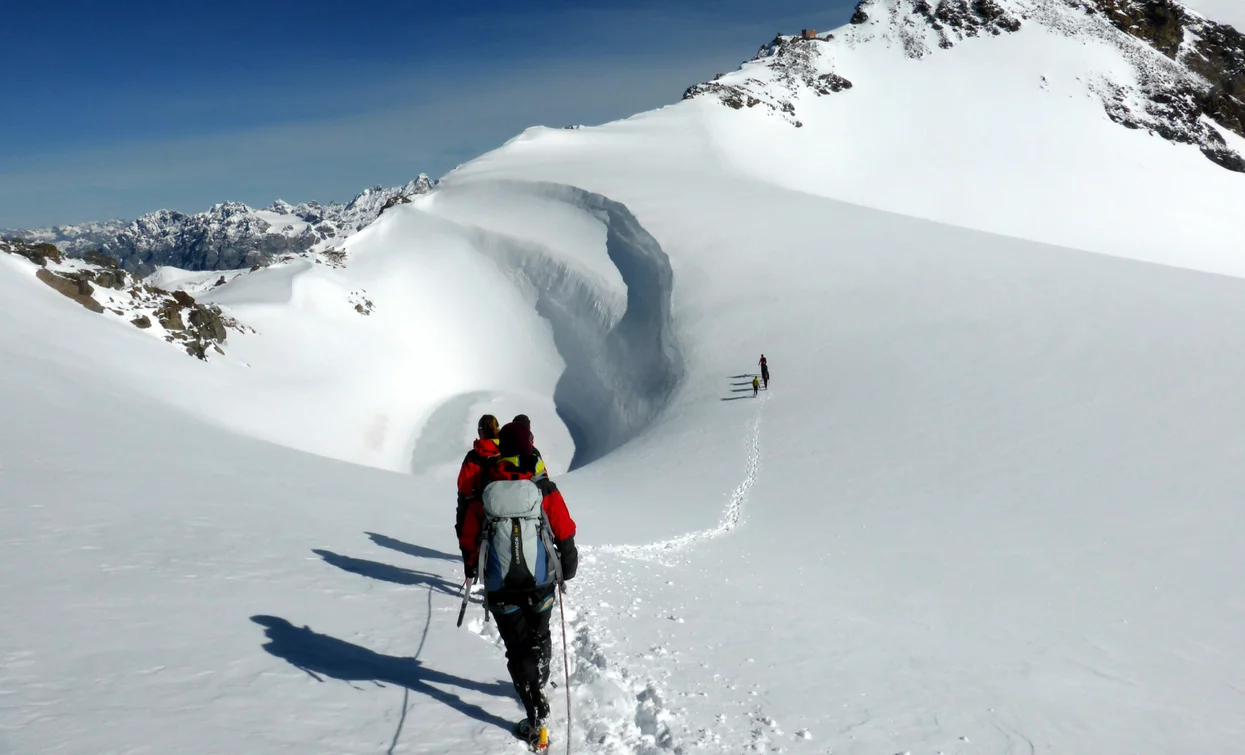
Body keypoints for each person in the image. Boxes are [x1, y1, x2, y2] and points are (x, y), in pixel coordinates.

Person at [460, 422, 578, 745]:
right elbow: (564, 529)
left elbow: (469, 535)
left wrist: (472, 567)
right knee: (540, 634)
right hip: (540, 583)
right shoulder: (542, 487)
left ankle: (535, 711)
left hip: (502, 589)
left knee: (517, 647)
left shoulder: (487, 488)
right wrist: (567, 567)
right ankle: (539, 681)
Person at [455, 415, 500, 551]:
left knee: (465, 529)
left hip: (478, 509)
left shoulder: (473, 456)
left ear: (480, 432)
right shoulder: (507, 452)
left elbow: (464, 487)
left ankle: (472, 566)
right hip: (504, 506)